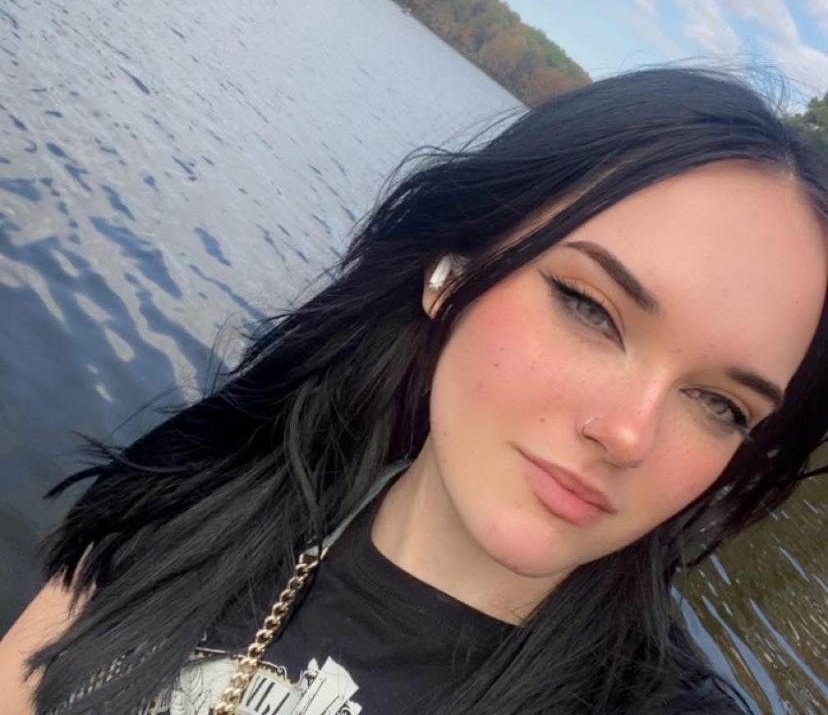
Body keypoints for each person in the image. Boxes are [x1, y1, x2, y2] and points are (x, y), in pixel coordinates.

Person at [2, 67, 828, 715]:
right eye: (591, 308)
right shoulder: (216, 479)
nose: (628, 433)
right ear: (453, 272)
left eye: (721, 405)